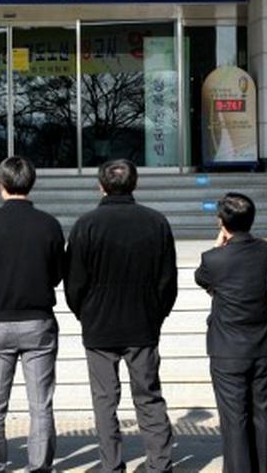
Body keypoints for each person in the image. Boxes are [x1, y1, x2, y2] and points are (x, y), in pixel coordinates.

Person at [65, 159, 177, 472]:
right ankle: (159, 464)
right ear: (135, 183)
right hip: (142, 323)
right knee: (149, 397)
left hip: (99, 325)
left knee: (104, 401)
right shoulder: (156, 222)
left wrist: (84, 313)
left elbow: (74, 281)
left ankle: (111, 465)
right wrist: (156, 314)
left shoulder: (86, 224)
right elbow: (167, 280)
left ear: (101, 185)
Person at [0, 157, 65, 472]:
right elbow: (57, 274)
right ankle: (39, 466)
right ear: (31, 183)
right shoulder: (49, 224)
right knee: (40, 404)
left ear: (1, 184)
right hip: (38, 321)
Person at [194, 193, 267, 473]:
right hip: (263, 346)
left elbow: (201, 278)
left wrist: (218, 245)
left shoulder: (213, 259)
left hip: (227, 349)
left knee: (234, 419)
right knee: (264, 415)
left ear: (222, 223)